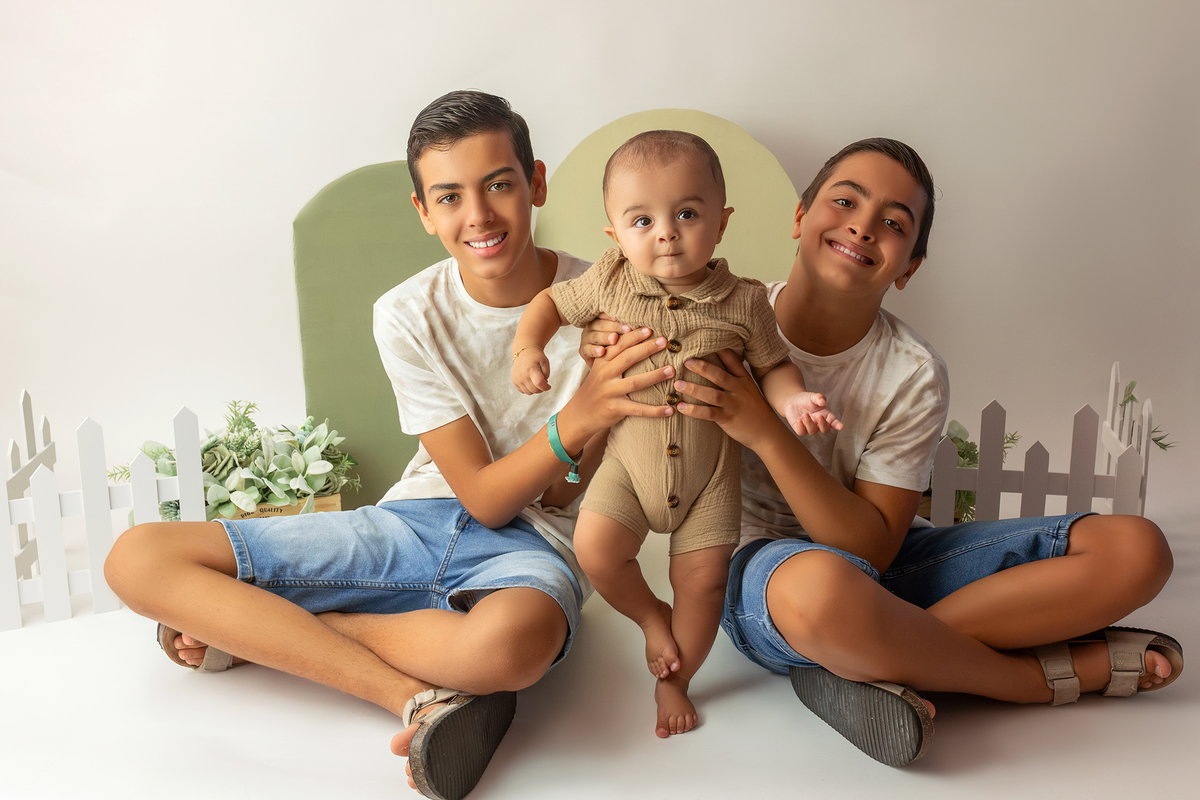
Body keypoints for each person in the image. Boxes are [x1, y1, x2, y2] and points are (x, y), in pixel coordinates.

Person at [104, 89, 678, 800]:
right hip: (414, 518)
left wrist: (591, 417)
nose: (479, 216)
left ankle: (285, 626)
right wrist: (578, 415)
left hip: (539, 545)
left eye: (499, 184)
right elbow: (478, 495)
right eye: (449, 196)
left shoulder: (615, 294)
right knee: (136, 557)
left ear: (535, 182)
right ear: (423, 212)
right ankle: (415, 697)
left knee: (513, 647)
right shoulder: (407, 311)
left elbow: (559, 496)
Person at [585, 137, 1181, 766]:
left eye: (894, 223)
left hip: (874, 563)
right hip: (764, 578)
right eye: (844, 201)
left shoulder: (912, 371)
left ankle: (869, 656)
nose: (862, 227)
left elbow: (869, 549)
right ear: (799, 218)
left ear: (908, 267)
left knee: (1138, 550)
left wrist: (763, 428)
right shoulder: (716, 313)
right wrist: (595, 354)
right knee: (822, 592)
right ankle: (1021, 681)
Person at [512, 130, 841, 738]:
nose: (666, 232)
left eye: (687, 213)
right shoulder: (609, 280)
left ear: (721, 223)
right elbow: (550, 304)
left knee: (705, 582)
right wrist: (527, 346)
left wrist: (793, 400)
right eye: (642, 220)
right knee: (596, 552)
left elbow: (772, 365)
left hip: (710, 483)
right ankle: (648, 618)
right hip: (626, 472)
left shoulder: (745, 302)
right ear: (614, 235)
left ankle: (675, 680)